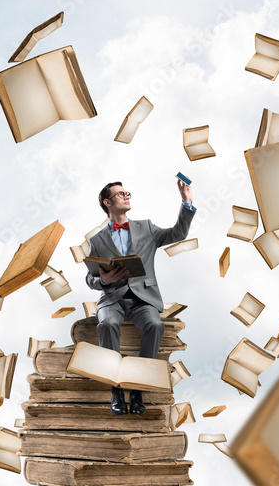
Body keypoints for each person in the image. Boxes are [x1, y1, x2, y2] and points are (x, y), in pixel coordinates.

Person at [84, 178, 195, 416]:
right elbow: (90, 278)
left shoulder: (146, 228)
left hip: (142, 298)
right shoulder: (96, 240)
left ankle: (137, 390)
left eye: (128, 193)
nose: (127, 195)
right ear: (107, 202)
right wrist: (105, 281)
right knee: (107, 323)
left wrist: (186, 203)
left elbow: (178, 233)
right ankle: (115, 390)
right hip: (112, 299)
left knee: (155, 325)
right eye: (121, 193)